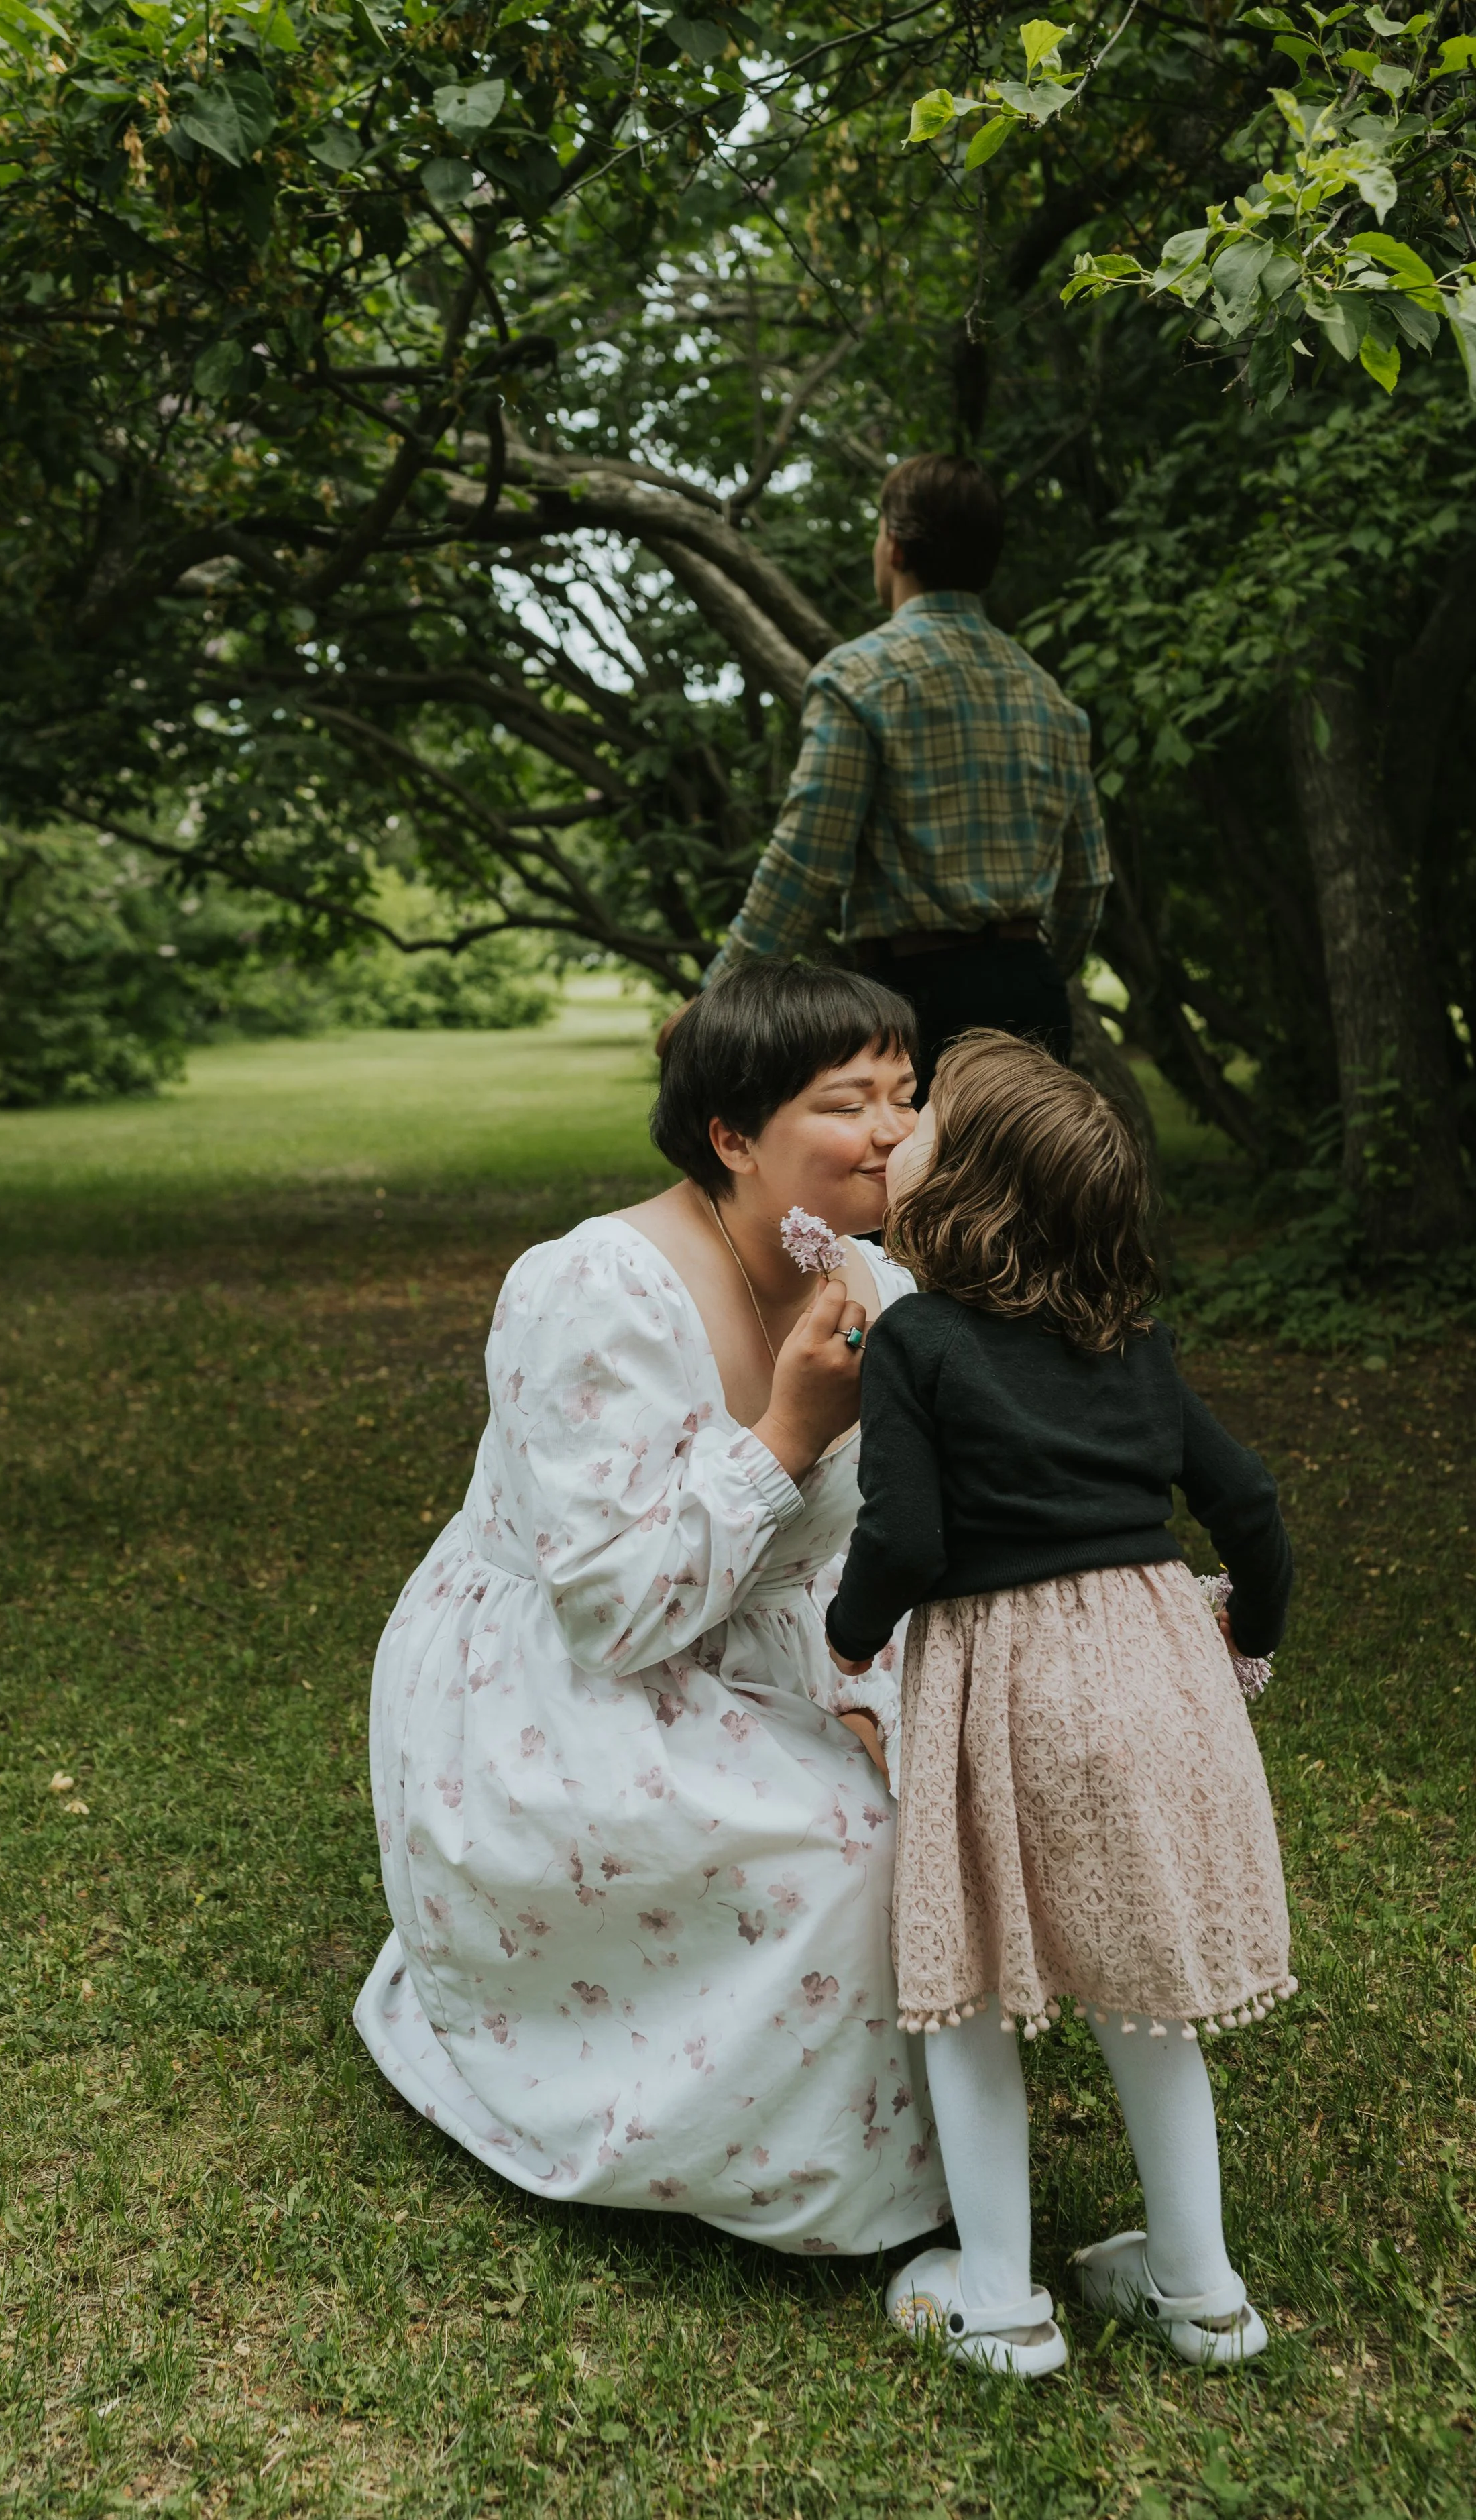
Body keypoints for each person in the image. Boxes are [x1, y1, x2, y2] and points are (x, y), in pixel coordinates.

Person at [355, 961, 952, 2255]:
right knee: (854, 1851)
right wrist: (789, 1430)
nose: (898, 1132)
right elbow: (612, 1615)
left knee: (980, 1781)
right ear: (733, 1136)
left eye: (908, 1093)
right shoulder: (592, 1290)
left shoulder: (879, 1283)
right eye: (854, 1103)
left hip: (783, 1638)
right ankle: (792, 2170)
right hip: (570, 1690)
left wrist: (872, 1682)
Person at [823, 1030, 1295, 2372]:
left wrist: (847, 1638)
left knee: (966, 1985)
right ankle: (1200, 2292)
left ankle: (998, 2295)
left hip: (1007, 1683)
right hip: (1158, 1670)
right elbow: (1248, 1508)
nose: (893, 1127)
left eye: (923, 1116)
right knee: (1141, 1996)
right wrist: (1242, 1645)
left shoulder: (913, 1338)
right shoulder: (1128, 1340)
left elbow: (903, 1539)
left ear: (962, 1186)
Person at [709, 453, 1111, 1093]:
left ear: (894, 547)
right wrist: (1034, 969)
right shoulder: (1048, 696)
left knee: (910, 1192)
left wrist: (719, 996)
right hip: (1030, 994)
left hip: (912, 1002)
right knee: (1022, 1192)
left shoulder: (859, 678)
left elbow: (806, 863)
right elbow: (1088, 881)